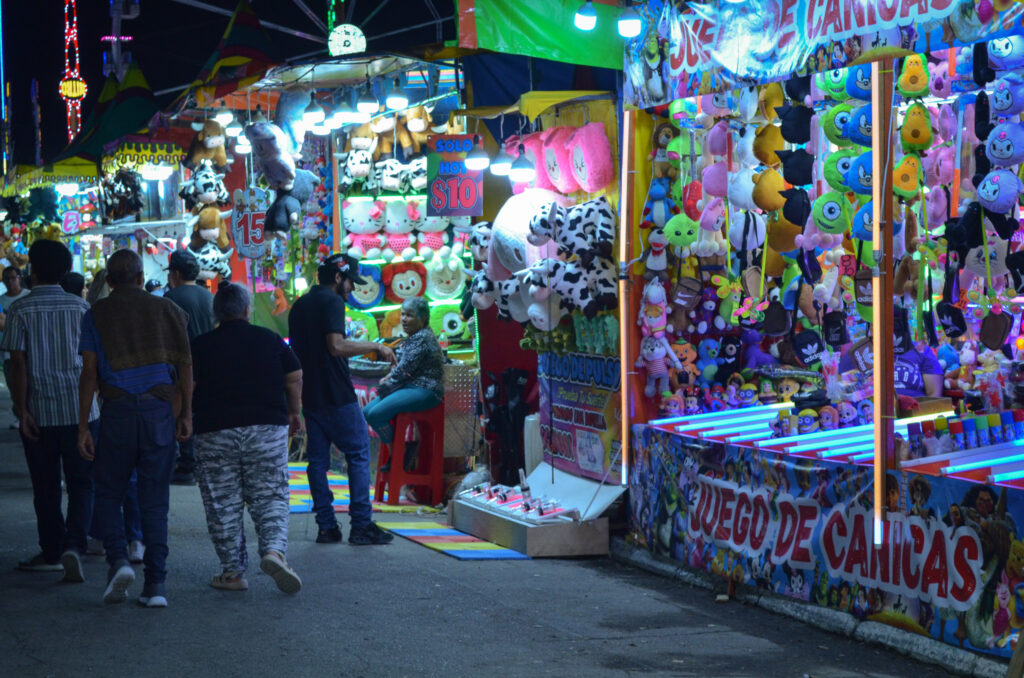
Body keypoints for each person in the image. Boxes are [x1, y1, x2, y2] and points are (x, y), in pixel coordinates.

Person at [78, 249, 192, 608]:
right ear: (142, 278)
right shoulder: (168, 310)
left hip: (117, 413)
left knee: (109, 490)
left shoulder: (97, 314)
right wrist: (186, 413)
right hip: (159, 413)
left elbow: (89, 373)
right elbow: (186, 367)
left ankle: (119, 561)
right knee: (155, 502)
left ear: (109, 282)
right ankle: (155, 586)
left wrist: (83, 425)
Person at [191, 282, 303, 593]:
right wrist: (294, 412)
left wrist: (183, 418)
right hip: (266, 428)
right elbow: (294, 376)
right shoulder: (270, 340)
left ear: (216, 313)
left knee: (221, 501)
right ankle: (273, 551)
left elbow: (188, 385)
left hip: (214, 431)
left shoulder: (200, 345)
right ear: (246, 310)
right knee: (271, 494)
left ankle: (232, 573)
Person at [2, 241, 99, 579]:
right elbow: (93, 364)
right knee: (82, 483)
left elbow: (17, 363)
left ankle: (53, 550)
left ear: (33, 270)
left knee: (45, 486)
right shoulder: (82, 308)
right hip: (82, 412)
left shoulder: (20, 310)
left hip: (40, 412)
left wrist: (21, 408)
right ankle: (75, 545)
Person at [288, 253, 395, 546]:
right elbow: (335, 346)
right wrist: (375, 345)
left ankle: (326, 526)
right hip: (336, 394)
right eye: (350, 282)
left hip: (311, 395)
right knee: (359, 454)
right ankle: (361, 524)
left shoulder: (299, 305)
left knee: (317, 461)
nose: (351, 290)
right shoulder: (332, 301)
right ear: (338, 278)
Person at [364, 297, 444, 472]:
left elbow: (404, 369)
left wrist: (388, 379)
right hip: (409, 387)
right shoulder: (413, 337)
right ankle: (400, 452)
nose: (404, 319)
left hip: (425, 389)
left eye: (410, 315)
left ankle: (400, 453)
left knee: (376, 413)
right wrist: (391, 377)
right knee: (367, 411)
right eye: (403, 314)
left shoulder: (422, 337)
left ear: (422, 319)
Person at [163, 249, 214, 485]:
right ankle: (200, 463)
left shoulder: (171, 299)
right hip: (209, 365)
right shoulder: (208, 296)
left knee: (183, 413)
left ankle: (186, 465)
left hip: (182, 367)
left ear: (175, 273)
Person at [839, 338, 942, 398]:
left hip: (915, 413)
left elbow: (934, 395)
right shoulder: (856, 354)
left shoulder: (921, 349)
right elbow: (844, 392)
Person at [0, 265, 30, 428]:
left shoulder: (28, 296)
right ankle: (20, 414)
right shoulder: (1, 301)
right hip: (8, 352)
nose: (10, 282)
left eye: (13, 278)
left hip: (28, 351)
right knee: (14, 385)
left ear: (19, 278)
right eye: (6, 279)